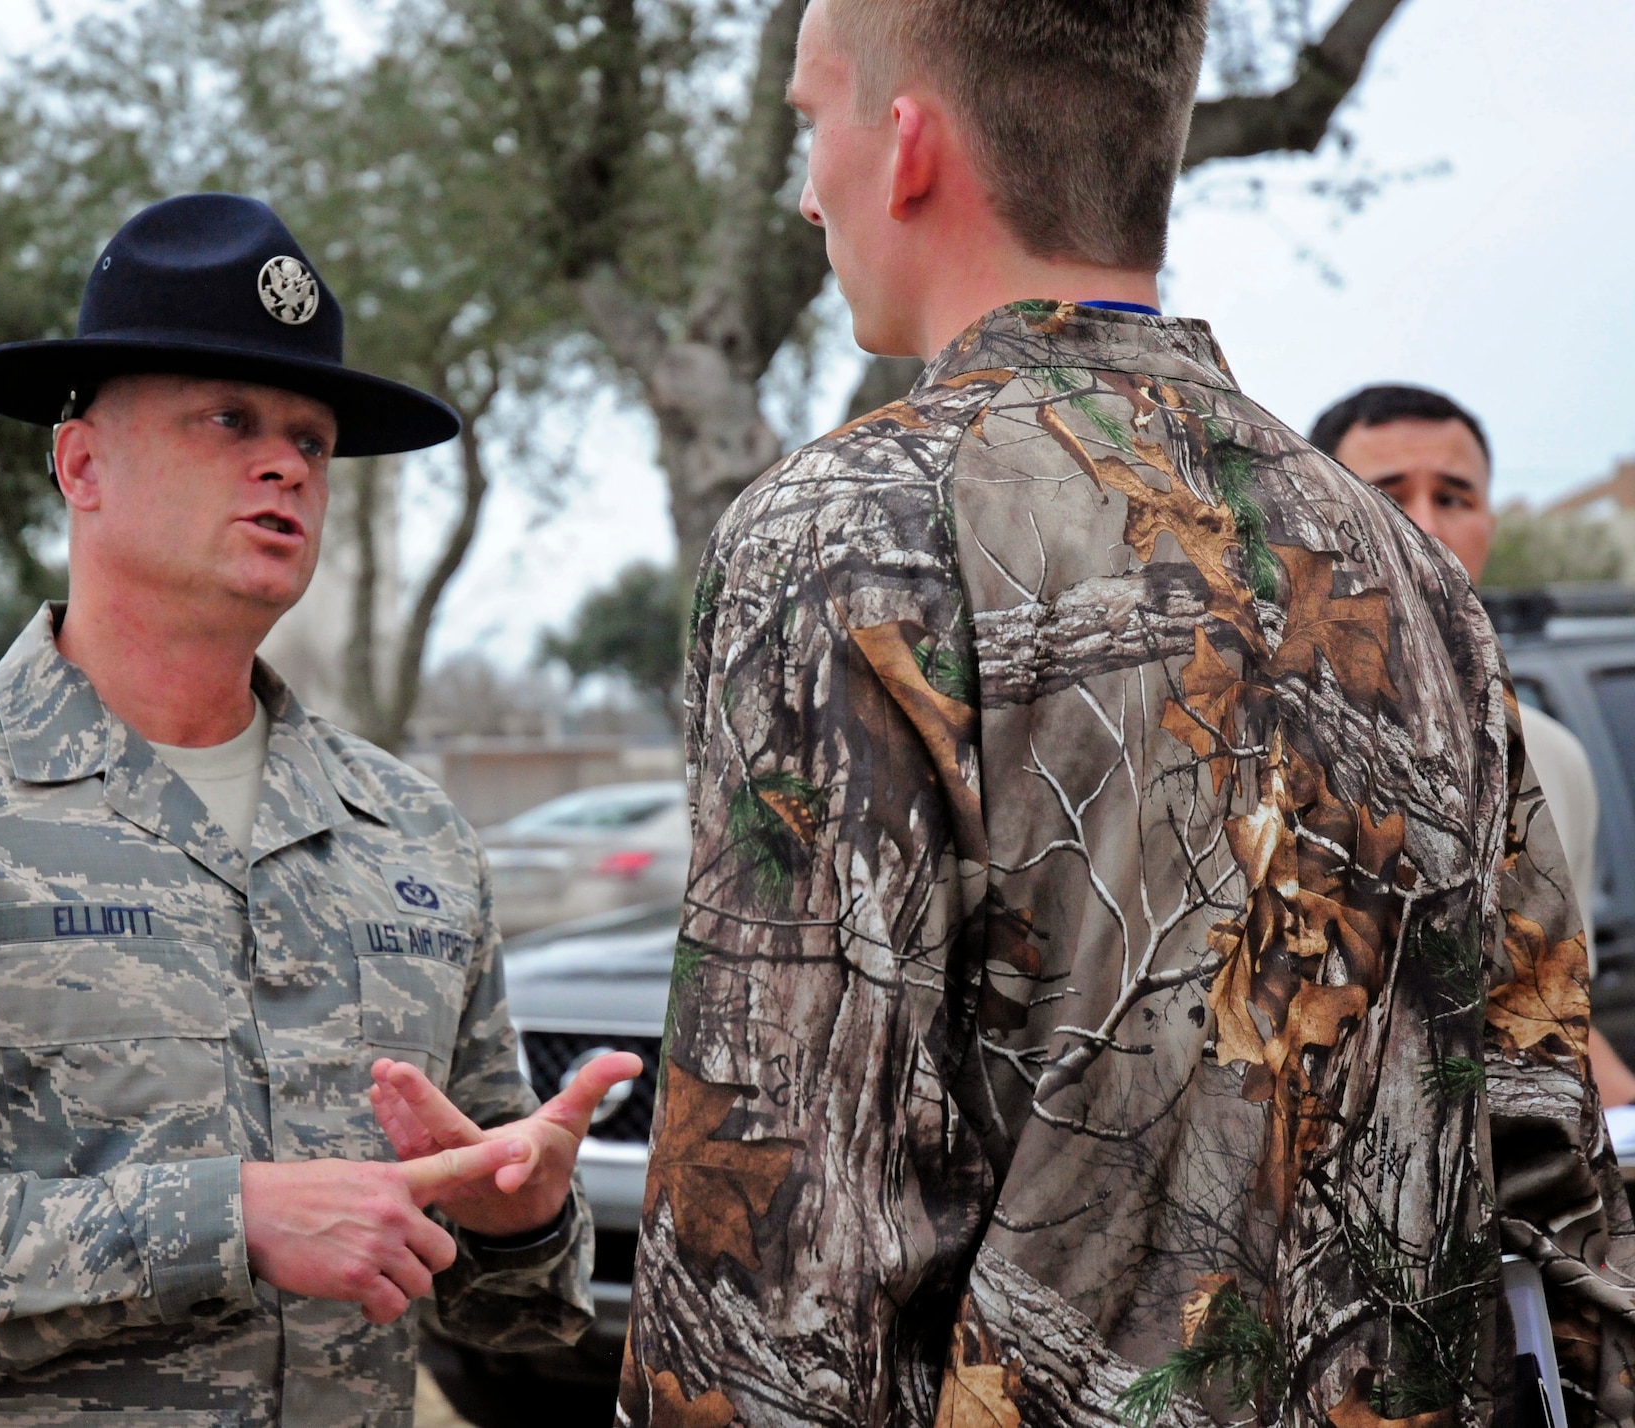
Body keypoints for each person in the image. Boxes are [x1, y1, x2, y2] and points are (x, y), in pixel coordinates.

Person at [614, 2, 1635, 1424]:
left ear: (904, 145)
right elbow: (1544, 1149)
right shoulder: (1406, 570)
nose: (805, 187)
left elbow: (778, 1231)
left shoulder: (854, 534)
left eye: (809, 122)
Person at [0, 192, 640, 1426]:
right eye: (228, 418)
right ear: (80, 464)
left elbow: (512, 1322)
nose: (286, 462)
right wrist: (226, 1216)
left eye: (311, 435)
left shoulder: (410, 836)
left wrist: (518, 1224)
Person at [1311, 383, 1635, 1106]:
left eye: (1453, 497)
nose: (1424, 525)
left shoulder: (1549, 760)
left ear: (1488, 521)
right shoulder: (1250, 730)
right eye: (1386, 494)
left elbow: (1540, 1006)